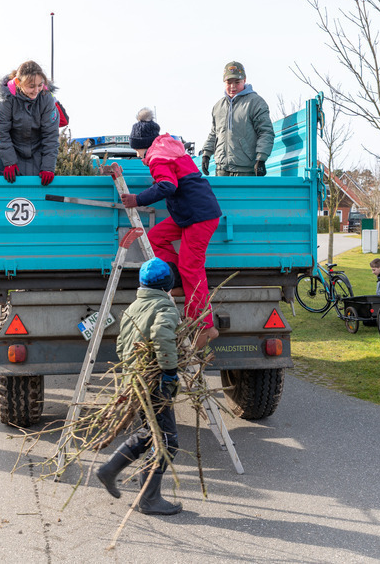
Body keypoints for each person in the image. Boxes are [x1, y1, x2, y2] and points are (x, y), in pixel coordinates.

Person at [121, 108, 222, 346]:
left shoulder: (158, 157)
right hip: (188, 214)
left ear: (143, 144)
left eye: (137, 150)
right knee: (155, 237)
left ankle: (203, 326)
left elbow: (167, 186)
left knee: (191, 266)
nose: (138, 155)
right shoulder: (170, 149)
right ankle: (177, 282)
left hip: (199, 216)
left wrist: (138, 199)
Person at [95, 257, 183, 515]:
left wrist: (132, 373)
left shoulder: (133, 307)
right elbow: (162, 335)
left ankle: (109, 470)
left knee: (149, 433)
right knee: (167, 441)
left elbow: (122, 345)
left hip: (137, 380)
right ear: (169, 284)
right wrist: (168, 372)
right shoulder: (166, 307)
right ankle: (148, 498)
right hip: (154, 383)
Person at [201, 61, 275, 177]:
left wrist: (261, 159)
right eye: (229, 82)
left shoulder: (255, 102)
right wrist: (206, 154)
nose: (232, 86)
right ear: (224, 82)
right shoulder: (218, 106)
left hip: (246, 170)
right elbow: (214, 133)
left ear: (244, 80)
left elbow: (265, 132)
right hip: (221, 170)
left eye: (237, 82)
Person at [0, 60, 59, 185]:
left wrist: (48, 167)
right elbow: (0, 132)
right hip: (13, 154)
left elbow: (51, 136)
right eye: (31, 86)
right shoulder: (7, 101)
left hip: (38, 155)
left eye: (40, 85)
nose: (36, 90)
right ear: (18, 83)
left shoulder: (46, 99)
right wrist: (9, 162)